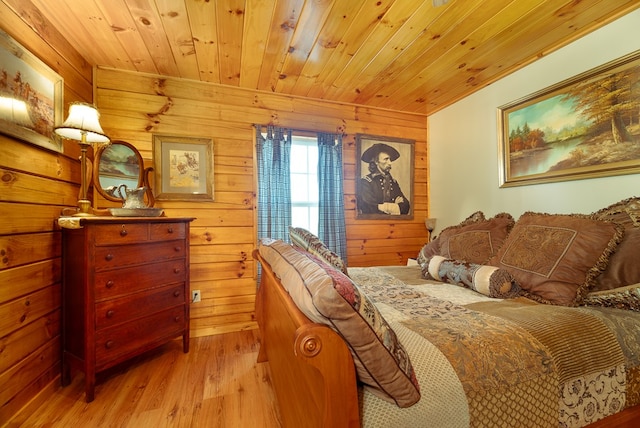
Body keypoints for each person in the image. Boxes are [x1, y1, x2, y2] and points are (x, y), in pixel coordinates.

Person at [358, 143, 410, 215]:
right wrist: (395, 207)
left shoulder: (393, 182)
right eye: (386, 159)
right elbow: (368, 207)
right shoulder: (366, 182)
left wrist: (382, 207)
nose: (390, 163)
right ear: (376, 162)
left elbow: (406, 206)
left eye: (390, 159)